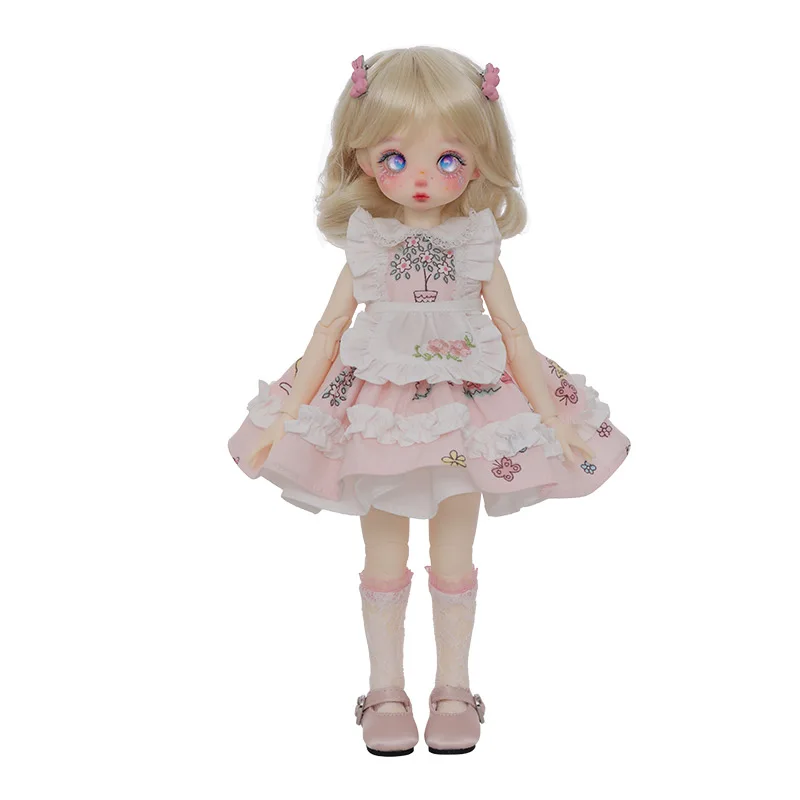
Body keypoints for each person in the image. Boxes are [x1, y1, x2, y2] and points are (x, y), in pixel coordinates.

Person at [228, 46, 630, 756]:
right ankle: (385, 690)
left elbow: (513, 332)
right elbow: (328, 330)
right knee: (382, 548)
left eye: (448, 159)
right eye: (394, 157)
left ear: (481, 160)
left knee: (454, 547)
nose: (420, 178)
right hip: (378, 407)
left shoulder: (476, 243)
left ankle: (453, 688)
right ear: (359, 158)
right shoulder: (369, 242)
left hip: (466, 402)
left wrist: (551, 417)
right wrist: (287, 416)